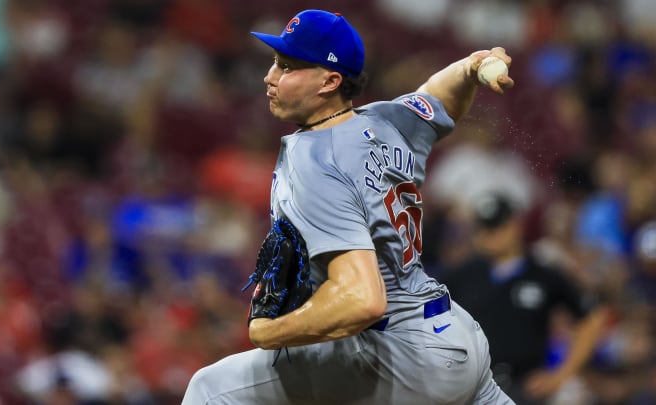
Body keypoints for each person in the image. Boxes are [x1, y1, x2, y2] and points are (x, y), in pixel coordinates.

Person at [183, 9, 516, 404]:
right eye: (275, 62)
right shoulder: (386, 120)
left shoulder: (314, 162)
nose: (270, 77)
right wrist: (470, 66)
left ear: (330, 80)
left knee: (210, 390)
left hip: (400, 355)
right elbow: (438, 98)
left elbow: (362, 299)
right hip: (457, 335)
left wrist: (269, 332)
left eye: (288, 67)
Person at [438, 192, 607, 404]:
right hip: (470, 386)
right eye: (485, 228)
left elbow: (591, 317)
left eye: (498, 226)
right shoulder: (460, 275)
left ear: (516, 225)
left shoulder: (543, 274)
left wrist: (561, 375)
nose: (492, 234)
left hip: (526, 387)